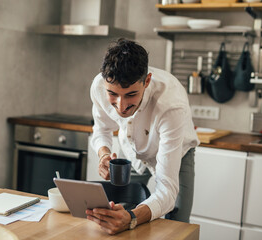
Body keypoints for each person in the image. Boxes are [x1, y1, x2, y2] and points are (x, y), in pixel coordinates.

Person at [85, 38, 200, 235]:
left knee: (177, 226)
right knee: (119, 212)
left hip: (177, 153)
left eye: (130, 95)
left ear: (146, 81)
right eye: (113, 94)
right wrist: (104, 155)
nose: (121, 107)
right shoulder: (98, 87)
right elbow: (102, 129)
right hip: (131, 151)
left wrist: (132, 218)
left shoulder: (171, 105)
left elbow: (167, 192)